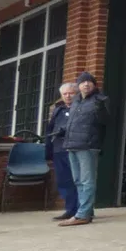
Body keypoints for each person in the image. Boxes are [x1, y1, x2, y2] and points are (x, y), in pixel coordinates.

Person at [60, 71, 109, 227]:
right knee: (78, 180)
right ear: (79, 85)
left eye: (90, 82)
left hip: (88, 145)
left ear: (94, 85)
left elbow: (106, 120)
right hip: (72, 144)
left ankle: (82, 215)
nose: (86, 84)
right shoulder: (76, 101)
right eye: (83, 82)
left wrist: (101, 108)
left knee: (87, 181)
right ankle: (86, 211)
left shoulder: (101, 100)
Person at [43, 82, 79, 221]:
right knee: (63, 181)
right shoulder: (58, 110)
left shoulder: (80, 109)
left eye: (71, 93)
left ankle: (82, 210)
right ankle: (70, 209)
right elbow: (50, 130)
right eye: (65, 94)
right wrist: (48, 150)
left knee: (77, 180)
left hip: (73, 148)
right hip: (59, 149)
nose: (68, 96)